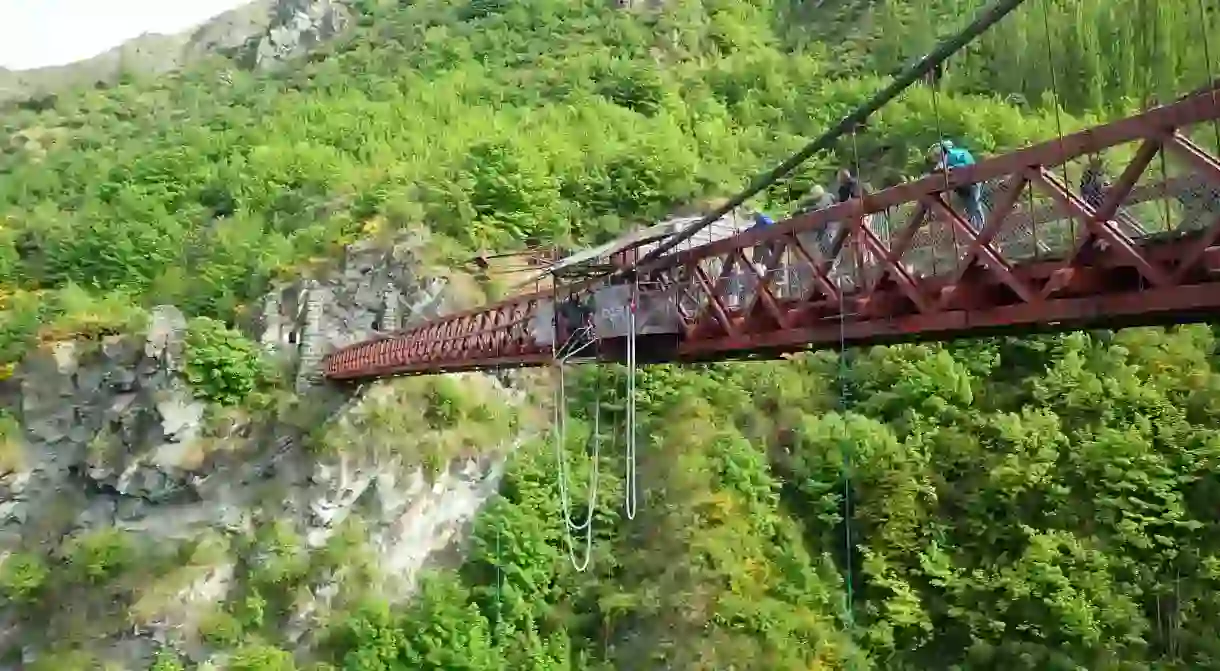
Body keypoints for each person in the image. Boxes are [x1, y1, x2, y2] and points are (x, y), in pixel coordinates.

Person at [929, 140, 985, 231]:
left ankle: (978, 229)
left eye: (936, 154)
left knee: (973, 206)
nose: (935, 157)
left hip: (971, 183)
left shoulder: (955, 155)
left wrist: (949, 169)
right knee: (970, 206)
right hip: (962, 186)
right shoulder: (947, 158)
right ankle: (972, 229)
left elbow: (964, 166)